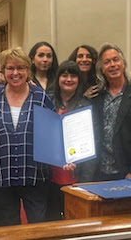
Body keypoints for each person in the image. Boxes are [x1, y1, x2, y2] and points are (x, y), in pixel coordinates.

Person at [0, 47, 55, 225]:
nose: (15, 73)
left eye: (21, 68)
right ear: (3, 71)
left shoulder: (41, 97)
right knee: (8, 229)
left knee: (39, 227)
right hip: (2, 176)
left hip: (35, 175)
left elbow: (53, 134)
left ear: (28, 70)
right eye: (10, 68)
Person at [91, 43, 131, 180]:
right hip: (99, 171)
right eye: (107, 62)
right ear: (102, 69)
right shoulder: (96, 97)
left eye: (116, 60)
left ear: (123, 64)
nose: (112, 65)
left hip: (127, 172)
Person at [46, 60, 94, 221]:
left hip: (76, 173)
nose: (68, 79)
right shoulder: (47, 102)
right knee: (51, 219)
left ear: (79, 80)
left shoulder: (85, 105)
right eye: (64, 75)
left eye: (73, 76)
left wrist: (85, 177)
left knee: (74, 219)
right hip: (49, 172)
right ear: (58, 78)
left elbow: (93, 143)